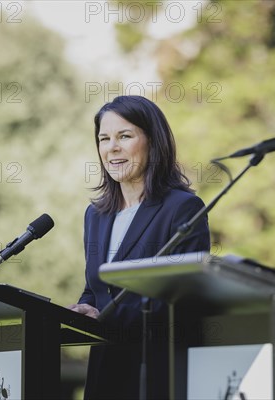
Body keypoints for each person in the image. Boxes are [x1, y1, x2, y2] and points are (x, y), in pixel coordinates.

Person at [68, 95, 211, 399]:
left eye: (125, 136)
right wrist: (83, 308)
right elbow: (96, 288)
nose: (112, 147)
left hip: (155, 372)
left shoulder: (183, 209)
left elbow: (182, 299)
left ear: (152, 141)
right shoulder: (95, 215)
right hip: (105, 370)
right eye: (104, 139)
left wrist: (105, 317)